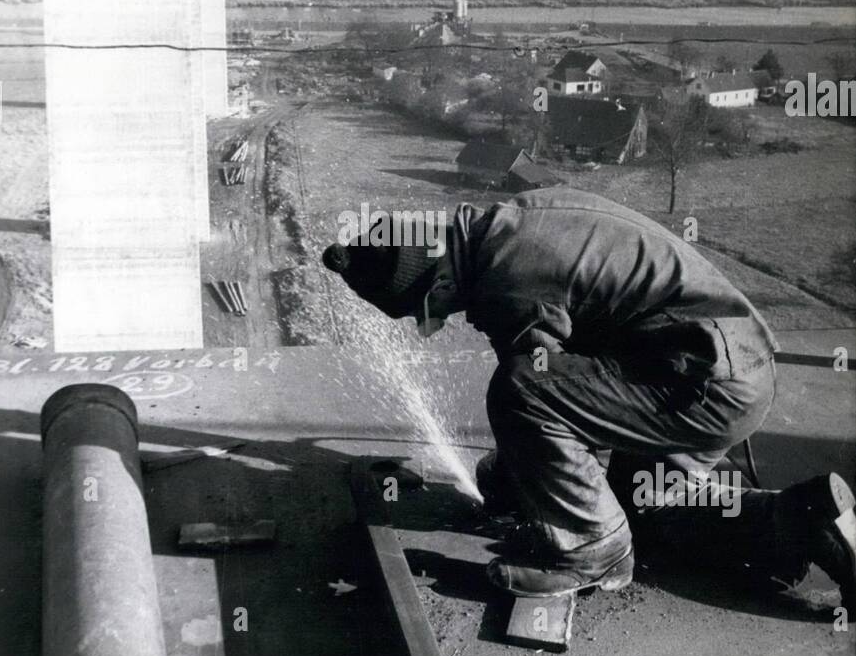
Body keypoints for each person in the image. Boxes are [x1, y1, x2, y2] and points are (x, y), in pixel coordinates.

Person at [323, 189, 855, 611]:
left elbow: (543, 398)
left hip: (702, 386)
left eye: (425, 314)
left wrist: (525, 487)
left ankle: (594, 554)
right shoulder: (507, 225)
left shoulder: (508, 279)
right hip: (720, 368)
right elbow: (578, 386)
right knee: (644, 503)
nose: (432, 327)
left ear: (435, 281)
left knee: (519, 391)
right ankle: (799, 519)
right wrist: (530, 479)